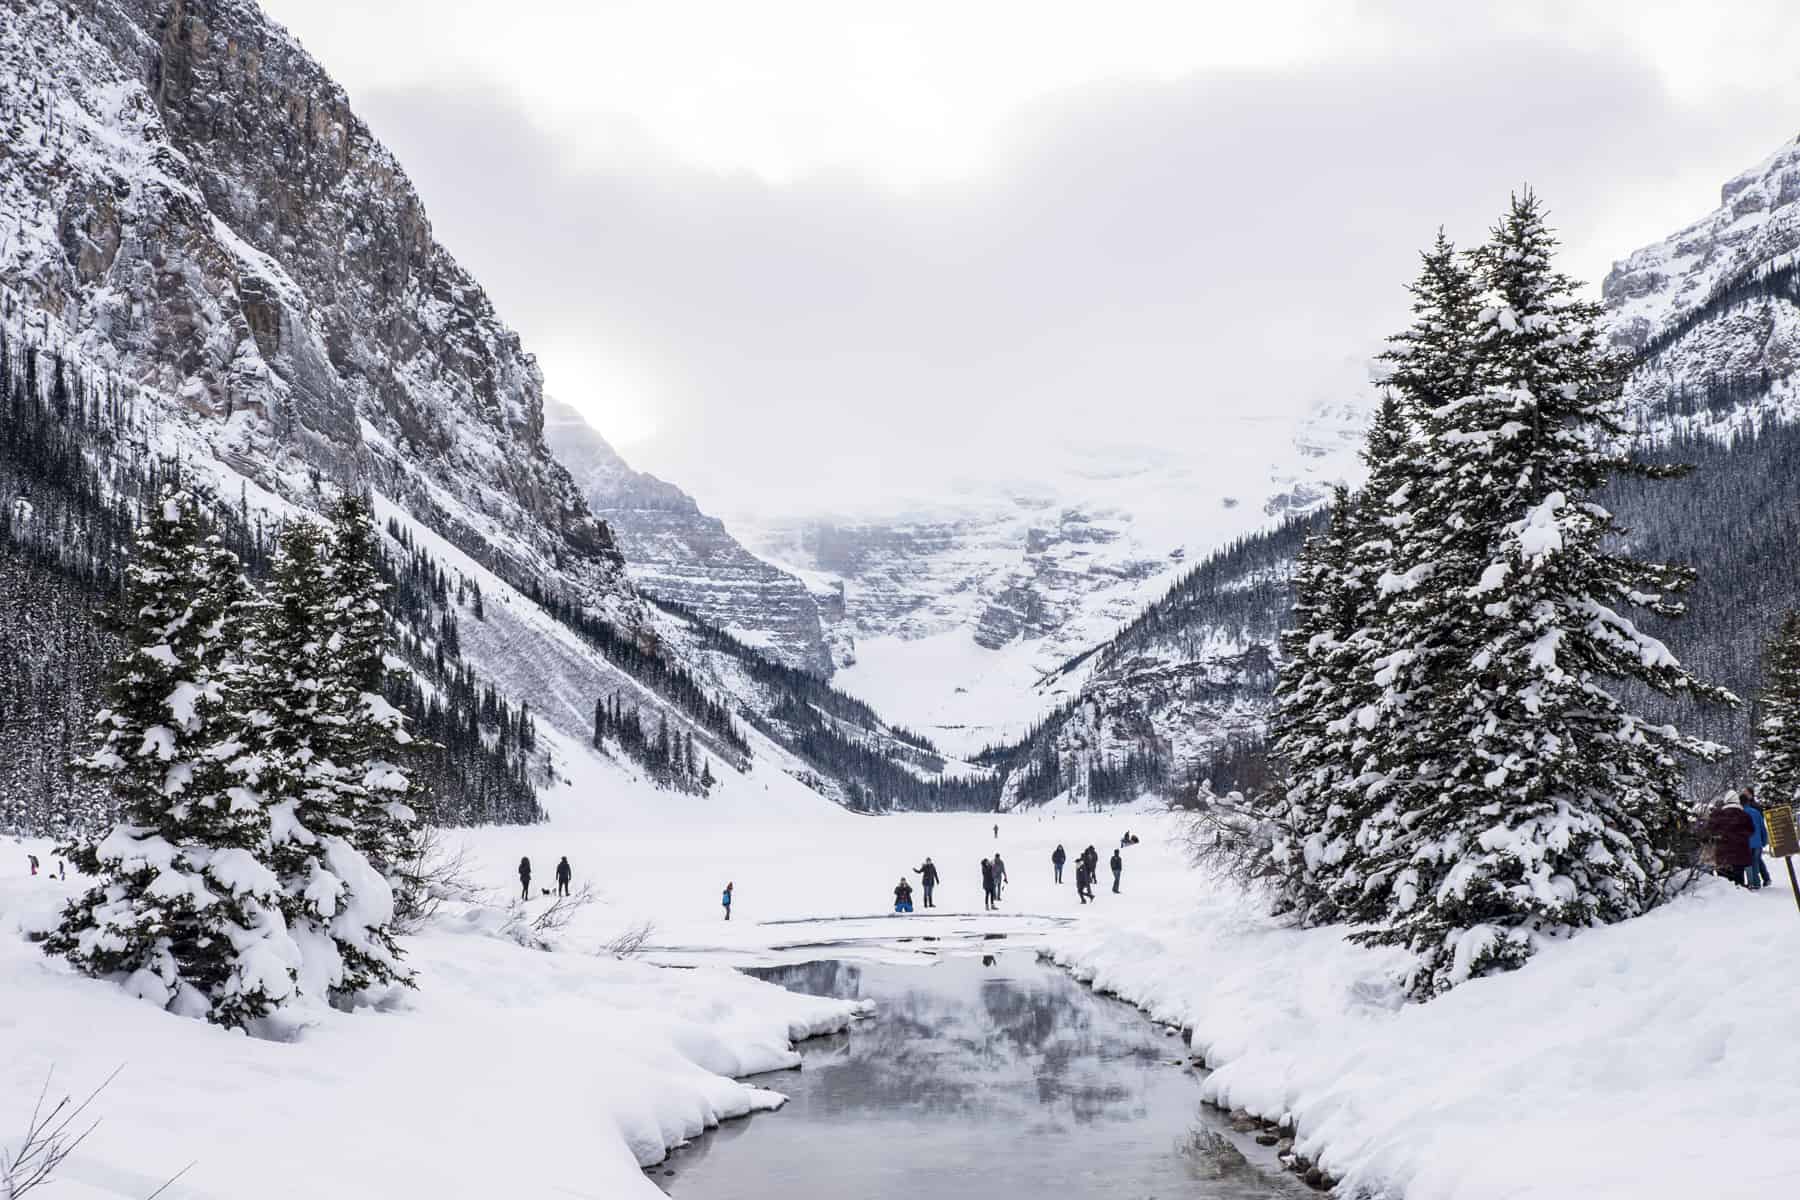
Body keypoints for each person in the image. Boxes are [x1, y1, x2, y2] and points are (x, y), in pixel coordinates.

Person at [1707, 797, 1757, 887]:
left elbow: (1710, 830)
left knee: (1724, 883)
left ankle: (1726, 898)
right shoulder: (1744, 815)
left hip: (1723, 853)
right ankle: (1740, 894)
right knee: (1739, 880)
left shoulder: (1718, 815)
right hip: (1740, 852)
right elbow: (1751, 830)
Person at [1742, 787, 1772, 890]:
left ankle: (1755, 883)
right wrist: (1764, 840)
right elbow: (1762, 827)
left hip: (1748, 842)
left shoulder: (1742, 813)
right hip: (1757, 841)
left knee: (1751, 863)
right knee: (1756, 861)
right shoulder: (1756, 811)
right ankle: (1762, 880)